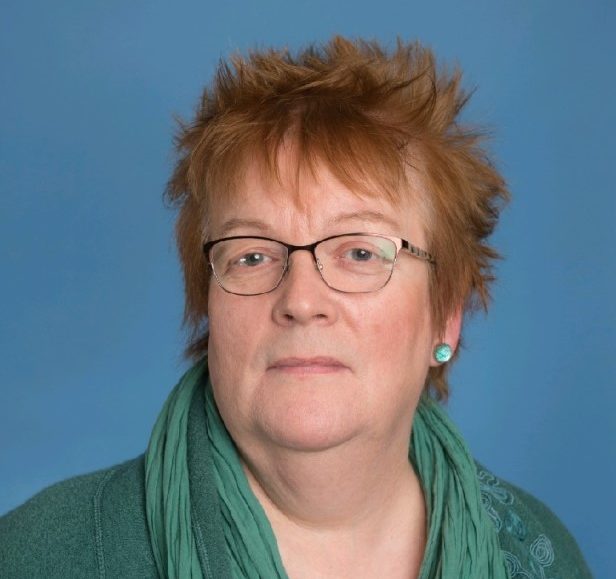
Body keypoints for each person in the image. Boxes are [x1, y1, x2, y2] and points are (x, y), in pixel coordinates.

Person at [0, 36, 591, 579]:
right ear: (209, 307)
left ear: (446, 316)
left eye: (359, 252)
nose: (301, 301)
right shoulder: (42, 557)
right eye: (253, 256)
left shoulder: (540, 553)